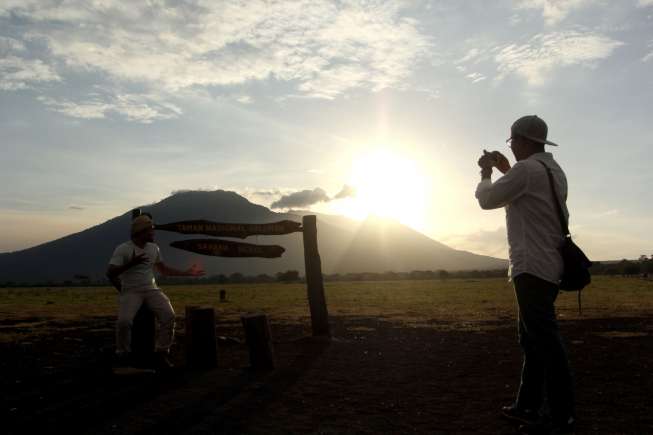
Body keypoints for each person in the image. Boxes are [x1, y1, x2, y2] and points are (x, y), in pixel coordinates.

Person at [475, 115, 575, 435]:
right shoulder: (552, 171)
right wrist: (508, 169)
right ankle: (527, 406)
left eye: (512, 140)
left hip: (531, 266)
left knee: (544, 341)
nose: (512, 146)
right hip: (549, 265)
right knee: (532, 340)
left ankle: (561, 413)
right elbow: (530, 195)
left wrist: (486, 172)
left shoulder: (527, 170)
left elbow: (488, 200)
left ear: (523, 140)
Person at [106, 214, 205, 369]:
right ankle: (122, 354)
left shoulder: (154, 248)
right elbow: (110, 273)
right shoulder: (123, 249)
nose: (153, 234)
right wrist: (131, 265)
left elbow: (163, 270)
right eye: (151, 231)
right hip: (131, 291)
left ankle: (161, 352)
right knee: (124, 322)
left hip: (151, 289)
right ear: (140, 231)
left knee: (169, 315)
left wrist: (187, 273)